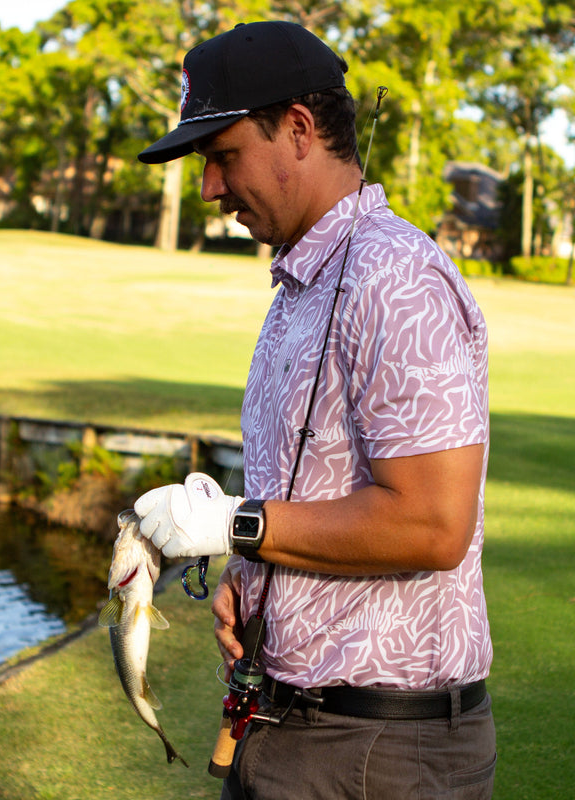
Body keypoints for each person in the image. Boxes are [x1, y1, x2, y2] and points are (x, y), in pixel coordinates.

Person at [133, 20, 496, 800]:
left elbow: (432, 524)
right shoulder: (299, 284)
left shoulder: (394, 277)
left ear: (298, 129)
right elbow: (314, 494)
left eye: (222, 156)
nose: (209, 188)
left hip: (379, 751)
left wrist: (237, 524)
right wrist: (256, 571)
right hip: (287, 726)